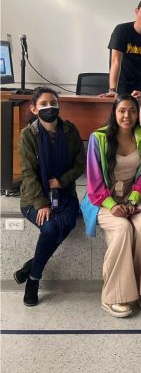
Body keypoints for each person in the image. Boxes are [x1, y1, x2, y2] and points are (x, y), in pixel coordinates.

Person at [81, 95, 141, 318]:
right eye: (122, 111)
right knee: (123, 228)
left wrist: (133, 201)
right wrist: (113, 206)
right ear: (114, 113)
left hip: (133, 197)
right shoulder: (99, 137)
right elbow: (94, 182)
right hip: (102, 200)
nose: (127, 116)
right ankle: (111, 295)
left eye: (132, 111)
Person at [14, 87, 85, 306]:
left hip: (65, 194)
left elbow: (80, 164)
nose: (49, 107)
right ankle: (34, 279)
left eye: (53, 102)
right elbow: (28, 173)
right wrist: (42, 203)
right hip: (34, 198)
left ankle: (31, 266)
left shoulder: (70, 130)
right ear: (34, 109)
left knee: (68, 222)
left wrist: (62, 181)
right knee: (52, 227)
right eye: (43, 104)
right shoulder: (28, 135)